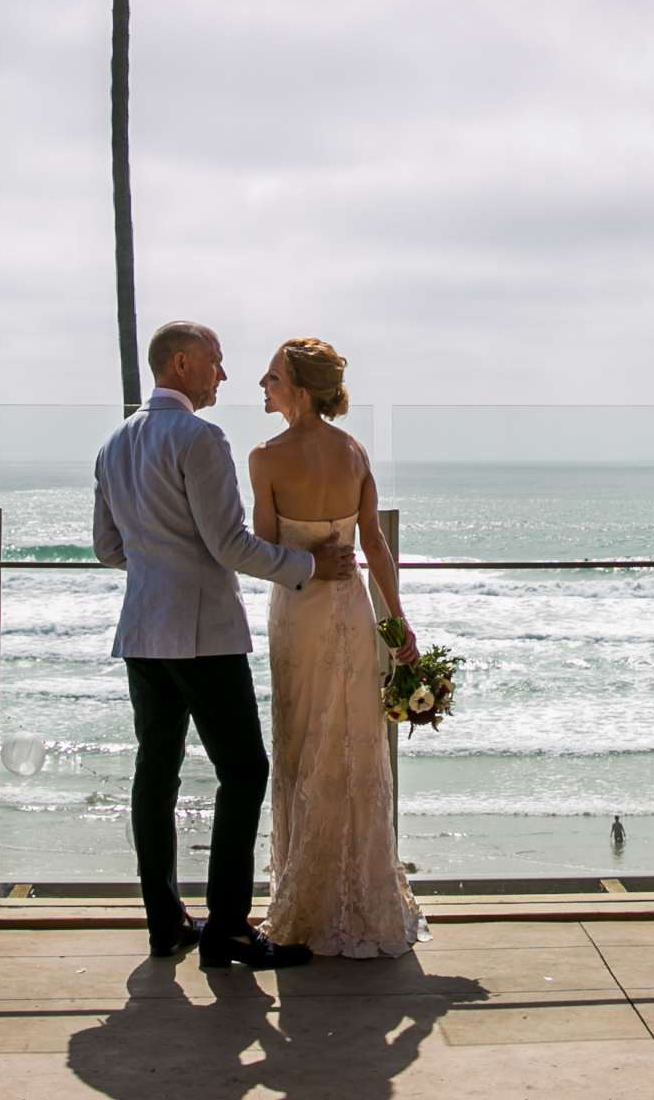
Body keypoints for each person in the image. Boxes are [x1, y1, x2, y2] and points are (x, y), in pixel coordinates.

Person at [94, 320, 357, 970]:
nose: (224, 374)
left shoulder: (113, 445)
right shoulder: (201, 438)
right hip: (203, 635)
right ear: (181, 364)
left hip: (142, 633)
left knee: (155, 774)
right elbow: (229, 545)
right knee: (244, 771)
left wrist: (156, 559)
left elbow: (107, 549)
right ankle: (229, 929)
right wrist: (309, 567)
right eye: (215, 361)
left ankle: (165, 922)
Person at [248, 337, 424, 959]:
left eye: (270, 378)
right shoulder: (353, 452)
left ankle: (306, 901)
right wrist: (397, 621)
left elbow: (268, 555)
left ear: (298, 388)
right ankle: (362, 896)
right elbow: (374, 544)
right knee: (351, 743)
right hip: (351, 612)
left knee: (301, 740)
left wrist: (306, 563)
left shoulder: (266, 458)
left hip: (300, 611)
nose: (262, 387)